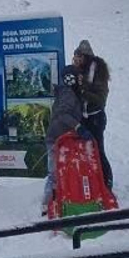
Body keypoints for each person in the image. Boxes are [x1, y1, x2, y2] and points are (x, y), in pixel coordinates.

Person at [42, 65, 87, 212]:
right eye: (77, 77)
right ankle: (47, 205)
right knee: (54, 173)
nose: (80, 79)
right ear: (70, 78)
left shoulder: (67, 92)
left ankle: (59, 202)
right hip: (57, 138)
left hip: (61, 138)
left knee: (60, 172)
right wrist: (78, 126)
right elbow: (63, 114)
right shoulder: (69, 94)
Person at [71, 39, 113, 189]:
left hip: (95, 116)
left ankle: (107, 183)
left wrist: (82, 90)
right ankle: (92, 182)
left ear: (86, 57)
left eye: (79, 57)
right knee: (84, 151)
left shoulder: (97, 70)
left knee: (98, 150)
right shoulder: (80, 71)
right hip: (83, 117)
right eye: (75, 57)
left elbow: (100, 99)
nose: (76, 60)